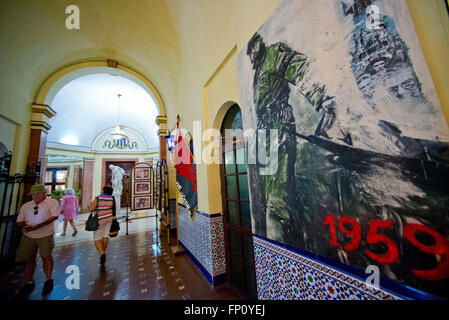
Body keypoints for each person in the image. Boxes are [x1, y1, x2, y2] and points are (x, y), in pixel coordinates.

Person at [14, 184, 59, 298]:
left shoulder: (52, 202)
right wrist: (24, 226)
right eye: (33, 194)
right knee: (29, 259)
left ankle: (48, 279)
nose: (36, 196)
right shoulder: (26, 206)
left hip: (45, 234)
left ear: (44, 193)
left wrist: (40, 225)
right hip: (28, 235)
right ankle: (29, 282)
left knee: (46, 257)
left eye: (38, 194)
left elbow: (55, 216)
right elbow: (19, 220)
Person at [88, 185, 116, 265]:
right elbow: (114, 209)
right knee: (105, 236)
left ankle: (101, 253)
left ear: (103, 190)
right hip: (109, 219)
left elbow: (91, 209)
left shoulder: (98, 198)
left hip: (99, 220)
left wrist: (90, 207)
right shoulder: (112, 198)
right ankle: (103, 252)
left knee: (97, 238)